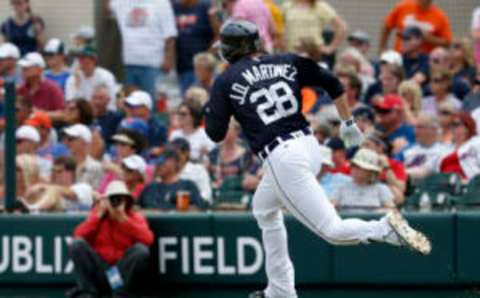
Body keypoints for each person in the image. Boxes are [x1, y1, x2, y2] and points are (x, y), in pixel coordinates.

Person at [204, 20, 431, 298]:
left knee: (332, 230)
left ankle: (384, 228)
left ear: (229, 50)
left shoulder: (225, 79)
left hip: (282, 157)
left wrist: (211, 106)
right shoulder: (286, 61)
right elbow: (332, 82)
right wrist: (347, 121)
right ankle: (280, 290)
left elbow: (215, 134)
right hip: (309, 145)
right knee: (263, 208)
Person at [69, 180, 154, 297]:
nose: (116, 202)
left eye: (120, 199)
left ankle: (120, 294)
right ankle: (88, 293)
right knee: (77, 244)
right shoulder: (98, 215)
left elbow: (148, 239)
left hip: (121, 274)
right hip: (101, 271)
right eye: (113, 198)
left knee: (140, 250)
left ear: (126, 201)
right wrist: (99, 215)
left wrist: (124, 220)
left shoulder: (134, 217)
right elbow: (78, 234)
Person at [109, 0, 178, 99]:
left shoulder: (161, 3)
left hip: (153, 64)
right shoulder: (121, 2)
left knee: (152, 102)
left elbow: (170, 35)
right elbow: (108, 7)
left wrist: (168, 59)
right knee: (129, 101)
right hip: (129, 63)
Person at [138, 147, 205, 210]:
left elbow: (199, 209)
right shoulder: (150, 188)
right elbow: (137, 208)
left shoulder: (188, 186)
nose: (158, 164)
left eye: (162, 160)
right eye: (156, 161)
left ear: (175, 163)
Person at [330, 148, 395, 211]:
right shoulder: (341, 187)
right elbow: (331, 208)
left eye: (360, 168)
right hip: (347, 221)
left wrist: (379, 211)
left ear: (370, 171)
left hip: (373, 221)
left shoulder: (381, 189)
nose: (355, 170)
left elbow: (391, 210)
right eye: (354, 166)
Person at [173, 0, 217, 94]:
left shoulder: (205, 6)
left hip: (201, 67)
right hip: (182, 66)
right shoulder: (175, 7)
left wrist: (206, 58)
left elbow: (218, 36)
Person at [379, 0, 452, 54]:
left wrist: (428, 38)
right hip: (400, 55)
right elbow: (387, 26)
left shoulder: (440, 16)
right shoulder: (403, 6)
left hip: (424, 61)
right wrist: (383, 48)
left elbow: (447, 42)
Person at [281, 0, 347, 57]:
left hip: (314, 54)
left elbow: (341, 27)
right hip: (292, 53)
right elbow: (278, 28)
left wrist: (331, 48)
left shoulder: (320, 7)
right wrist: (282, 46)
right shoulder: (287, 6)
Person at [401, 113, 452, 180]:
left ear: (433, 129)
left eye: (420, 127)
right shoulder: (406, 149)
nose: (415, 131)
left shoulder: (446, 151)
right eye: (415, 127)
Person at [65, 46, 117, 110]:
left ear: (94, 61)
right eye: (80, 58)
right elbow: (71, 104)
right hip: (81, 115)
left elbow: (111, 104)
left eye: (84, 58)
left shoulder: (106, 76)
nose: (81, 61)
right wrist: (77, 84)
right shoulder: (72, 79)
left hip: (103, 115)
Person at [171, 138, 212, 204]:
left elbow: (206, 195)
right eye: (171, 155)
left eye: (177, 154)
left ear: (186, 153)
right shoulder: (166, 170)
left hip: (194, 209)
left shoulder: (198, 170)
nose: (174, 157)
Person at [63, 124, 104, 189]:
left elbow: (93, 192)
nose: (67, 142)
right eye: (66, 139)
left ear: (84, 141)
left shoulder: (95, 166)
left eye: (71, 139)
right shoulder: (63, 163)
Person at [91, 85, 124, 149]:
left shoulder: (116, 118)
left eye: (100, 98)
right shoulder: (85, 117)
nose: (97, 102)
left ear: (108, 100)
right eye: (94, 98)